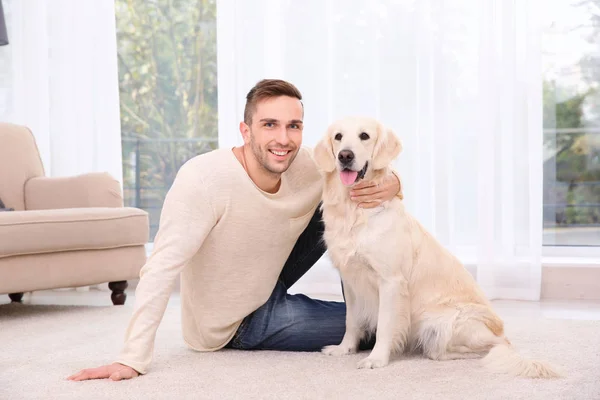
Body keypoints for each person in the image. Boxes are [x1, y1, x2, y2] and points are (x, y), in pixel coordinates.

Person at [67, 79, 403, 381]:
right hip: (237, 322)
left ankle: (394, 300)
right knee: (375, 328)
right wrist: (132, 358)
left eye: (294, 126)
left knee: (343, 202)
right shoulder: (203, 180)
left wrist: (393, 183)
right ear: (245, 131)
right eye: (269, 125)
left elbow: (364, 171)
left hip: (268, 275)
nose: (283, 139)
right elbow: (161, 267)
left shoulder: (310, 164)